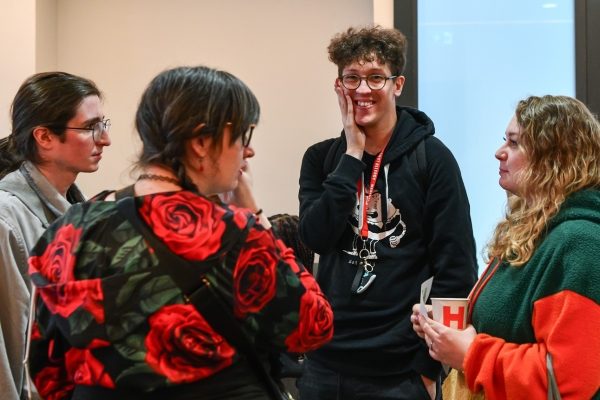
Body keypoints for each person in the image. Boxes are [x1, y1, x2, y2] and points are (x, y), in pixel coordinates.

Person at [27, 65, 334, 400]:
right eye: (242, 136)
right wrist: (255, 215)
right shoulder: (232, 233)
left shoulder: (71, 229)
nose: (248, 151)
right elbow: (312, 327)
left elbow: (47, 367)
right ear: (202, 142)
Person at [297, 25, 478, 400]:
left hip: (400, 372)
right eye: (352, 78)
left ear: (397, 84)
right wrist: (351, 156)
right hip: (325, 365)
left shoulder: (433, 159)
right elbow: (314, 237)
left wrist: (428, 369)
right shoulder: (321, 159)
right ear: (338, 85)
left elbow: (456, 268)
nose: (362, 90)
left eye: (375, 78)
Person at [412, 95, 600, 399]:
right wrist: (451, 334)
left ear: (554, 157)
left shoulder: (580, 243)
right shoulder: (533, 231)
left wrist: (471, 354)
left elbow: (567, 381)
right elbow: (509, 330)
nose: (499, 153)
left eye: (514, 143)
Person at [0, 71, 111, 400]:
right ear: (45, 137)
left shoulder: (74, 211)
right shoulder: (8, 219)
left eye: (104, 124)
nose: (105, 139)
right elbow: (8, 352)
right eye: (91, 127)